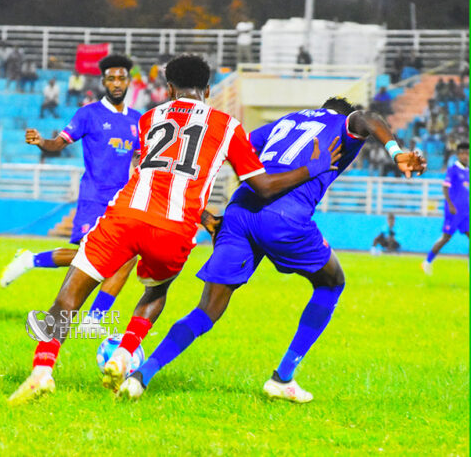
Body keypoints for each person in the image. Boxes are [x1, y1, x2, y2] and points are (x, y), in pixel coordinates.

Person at [7, 54, 346, 405]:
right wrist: (313, 168)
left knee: (69, 295)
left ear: (169, 89)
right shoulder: (227, 126)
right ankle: (124, 353)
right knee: (155, 290)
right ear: (208, 90)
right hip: (174, 228)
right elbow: (263, 187)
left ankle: (42, 371)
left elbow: (155, 170)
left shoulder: (149, 118)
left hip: (125, 216)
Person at [118, 97, 427, 403]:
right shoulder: (340, 124)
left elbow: (227, 150)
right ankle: (282, 378)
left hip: (239, 213)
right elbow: (368, 118)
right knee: (332, 283)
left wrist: (203, 214)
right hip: (284, 217)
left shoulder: (285, 122)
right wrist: (396, 152)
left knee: (207, 309)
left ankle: (140, 376)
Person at [0, 55, 142, 330]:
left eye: (121, 78)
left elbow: (140, 158)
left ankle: (93, 319)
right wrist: (42, 141)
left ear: (128, 81)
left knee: (126, 258)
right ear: (103, 81)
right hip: (94, 197)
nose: (116, 83)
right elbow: (58, 143)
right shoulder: (88, 114)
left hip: (121, 201)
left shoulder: (138, 120)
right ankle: (31, 260)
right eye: (111, 78)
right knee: (90, 258)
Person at [422, 143, 469, 275]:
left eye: (467, 153)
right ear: (458, 154)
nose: (465, 156)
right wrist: (451, 205)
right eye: (463, 153)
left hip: (466, 212)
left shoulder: (468, 171)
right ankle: (427, 262)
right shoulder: (453, 170)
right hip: (453, 211)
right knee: (446, 238)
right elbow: (445, 187)